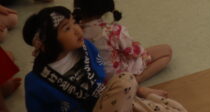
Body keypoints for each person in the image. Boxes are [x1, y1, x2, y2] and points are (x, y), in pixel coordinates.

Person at [22, 7, 186, 112]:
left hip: (107, 103)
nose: (78, 30)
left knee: (176, 109)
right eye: (67, 28)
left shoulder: (85, 47)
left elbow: (104, 82)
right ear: (47, 43)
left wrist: (141, 90)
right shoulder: (36, 82)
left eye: (74, 23)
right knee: (126, 79)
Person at [73, 0, 172, 82]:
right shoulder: (112, 31)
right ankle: (135, 81)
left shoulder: (73, 29)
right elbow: (133, 52)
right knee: (166, 51)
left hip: (91, 76)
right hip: (115, 77)